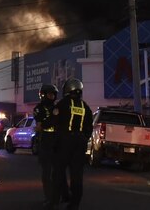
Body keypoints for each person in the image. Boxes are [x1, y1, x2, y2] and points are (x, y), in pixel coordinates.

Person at [51, 78, 92, 210]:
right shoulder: (85, 107)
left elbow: (54, 123)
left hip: (65, 142)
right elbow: (89, 128)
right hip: (79, 143)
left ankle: (58, 198)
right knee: (76, 174)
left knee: (58, 171)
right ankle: (75, 204)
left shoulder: (62, 104)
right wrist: (83, 139)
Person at [34, 84, 60, 208]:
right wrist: (50, 121)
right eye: (50, 94)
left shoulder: (57, 108)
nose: (52, 96)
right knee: (46, 173)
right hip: (45, 141)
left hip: (57, 142)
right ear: (43, 95)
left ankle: (57, 197)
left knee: (57, 172)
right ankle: (48, 198)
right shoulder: (39, 108)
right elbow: (39, 126)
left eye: (53, 94)